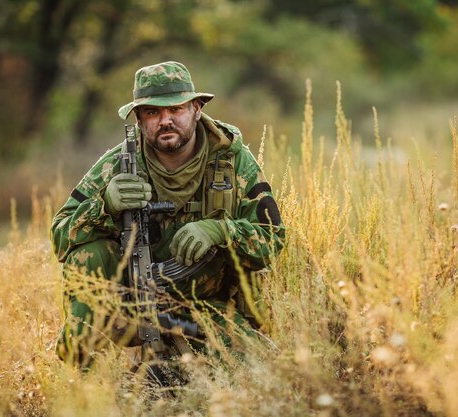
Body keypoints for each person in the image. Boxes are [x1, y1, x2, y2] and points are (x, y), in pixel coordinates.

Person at [51, 61, 285, 365]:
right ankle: (87, 371)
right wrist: (103, 206)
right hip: (133, 306)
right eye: (153, 112)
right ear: (138, 119)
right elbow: (60, 235)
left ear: (196, 109)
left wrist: (219, 231)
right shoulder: (117, 165)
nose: (165, 120)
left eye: (176, 109)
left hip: (206, 304)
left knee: (256, 366)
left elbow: (273, 238)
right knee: (87, 254)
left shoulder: (231, 161)